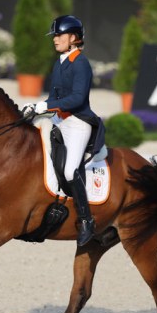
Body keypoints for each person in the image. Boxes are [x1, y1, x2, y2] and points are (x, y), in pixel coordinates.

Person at [23, 15, 105, 247]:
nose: (55, 39)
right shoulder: (59, 62)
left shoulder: (81, 63)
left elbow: (77, 98)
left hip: (78, 122)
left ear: (73, 38)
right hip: (59, 120)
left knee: (70, 171)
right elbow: (54, 97)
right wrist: (36, 109)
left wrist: (45, 106)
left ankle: (87, 220)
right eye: (55, 36)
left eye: (59, 35)